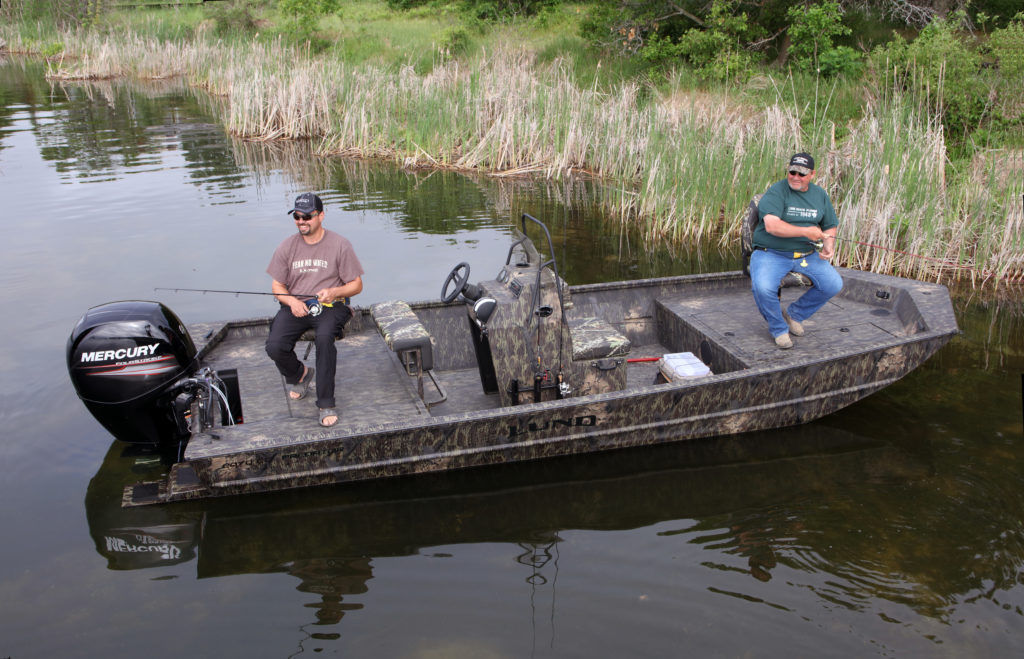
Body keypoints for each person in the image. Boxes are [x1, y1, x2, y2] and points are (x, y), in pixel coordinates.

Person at [265, 192, 364, 427]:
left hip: (331, 306)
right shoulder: (286, 246)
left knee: (324, 339)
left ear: (321, 215)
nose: (301, 222)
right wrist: (292, 302)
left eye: (307, 217)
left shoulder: (340, 244)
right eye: (297, 217)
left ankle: (326, 403)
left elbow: (357, 285)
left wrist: (334, 292)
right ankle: (299, 374)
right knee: (275, 346)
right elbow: (277, 285)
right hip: (297, 306)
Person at [751, 153, 843, 349]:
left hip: (806, 254)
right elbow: (772, 226)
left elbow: (830, 224)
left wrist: (829, 246)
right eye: (792, 172)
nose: (795, 177)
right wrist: (806, 231)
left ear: (812, 174)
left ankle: (794, 314)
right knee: (763, 287)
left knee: (833, 284)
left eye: (801, 174)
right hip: (771, 252)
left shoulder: (820, 195)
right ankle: (778, 328)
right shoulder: (777, 191)